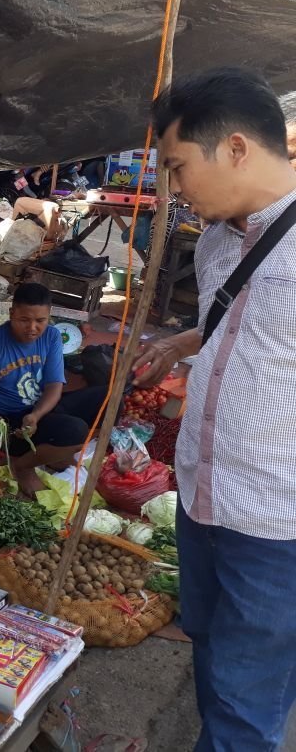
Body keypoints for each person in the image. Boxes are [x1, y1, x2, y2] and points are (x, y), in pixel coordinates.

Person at [132, 67, 296, 751]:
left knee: (242, 704)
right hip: (201, 499)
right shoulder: (219, 243)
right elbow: (240, 323)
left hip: (275, 522)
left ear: (234, 148)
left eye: (177, 168)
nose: (174, 190)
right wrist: (181, 342)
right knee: (210, 651)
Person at [0, 283, 105, 496]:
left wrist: (36, 415)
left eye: (40, 321)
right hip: (5, 425)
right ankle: (22, 466)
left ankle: (53, 452)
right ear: (12, 313)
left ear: (49, 316)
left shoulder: (51, 336)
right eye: (24, 320)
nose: (32, 328)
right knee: (76, 431)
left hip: (37, 411)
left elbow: (54, 385)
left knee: (108, 398)